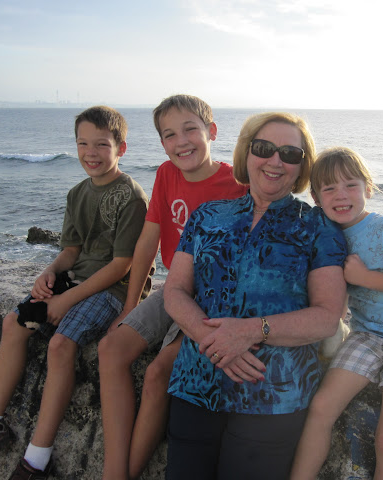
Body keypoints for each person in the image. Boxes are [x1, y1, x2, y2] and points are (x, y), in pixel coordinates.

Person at [0, 106, 150, 480]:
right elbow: (70, 251)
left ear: (121, 148)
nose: (91, 153)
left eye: (102, 144)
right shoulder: (77, 193)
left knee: (60, 345)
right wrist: (48, 273)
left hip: (112, 289)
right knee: (13, 324)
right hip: (76, 280)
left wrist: (65, 300)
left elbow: (122, 266)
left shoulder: (130, 196)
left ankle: (37, 459)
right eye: (83, 143)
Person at [163, 112, 348, 480]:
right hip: (196, 382)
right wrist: (217, 343)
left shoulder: (318, 226)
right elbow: (175, 290)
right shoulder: (206, 216)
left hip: (274, 395)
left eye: (290, 154)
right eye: (264, 148)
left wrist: (249, 331)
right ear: (246, 153)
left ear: (302, 166)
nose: (275, 161)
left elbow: (327, 316)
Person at [97, 94, 248, 480]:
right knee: (110, 349)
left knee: (158, 373)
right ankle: (113, 469)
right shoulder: (166, 174)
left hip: (212, 298)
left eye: (190, 130)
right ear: (162, 143)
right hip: (171, 288)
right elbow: (148, 240)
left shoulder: (237, 183)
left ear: (212, 131)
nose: (181, 142)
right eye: (169, 135)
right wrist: (131, 305)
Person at [290, 147, 383, 480]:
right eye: (329, 188)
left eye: (351, 185)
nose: (341, 195)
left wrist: (363, 277)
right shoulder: (328, 236)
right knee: (320, 409)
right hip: (367, 337)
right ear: (316, 197)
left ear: (368, 188)